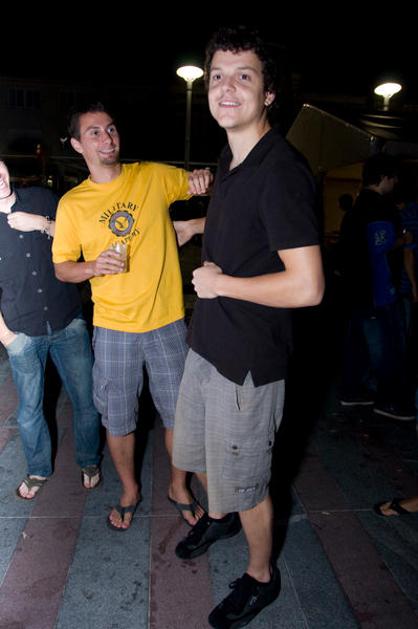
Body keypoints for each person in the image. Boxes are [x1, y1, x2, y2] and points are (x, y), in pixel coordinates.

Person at [172, 26, 324, 628]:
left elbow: (308, 286)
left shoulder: (282, 171)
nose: (225, 87)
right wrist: (198, 226)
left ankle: (262, 577)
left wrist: (223, 285)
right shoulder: (234, 158)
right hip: (209, 344)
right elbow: (246, 222)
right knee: (193, 451)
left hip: (248, 363)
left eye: (244, 76)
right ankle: (219, 516)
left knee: (248, 482)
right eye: (217, 76)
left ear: (269, 94)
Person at [52, 103, 212, 531]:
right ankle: (129, 490)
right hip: (113, 328)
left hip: (167, 322)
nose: (106, 138)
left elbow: (202, 184)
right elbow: (62, 268)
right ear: (77, 145)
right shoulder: (73, 204)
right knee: (119, 420)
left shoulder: (152, 176)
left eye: (110, 129)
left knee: (180, 416)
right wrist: (92, 266)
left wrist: (201, 180)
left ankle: (178, 486)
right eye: (94, 133)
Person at [0, 160, 101, 499]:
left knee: (87, 400)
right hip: (22, 332)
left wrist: (41, 224)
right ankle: (38, 469)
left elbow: (82, 239)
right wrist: (7, 338)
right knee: (29, 411)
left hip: (67, 320)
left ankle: (89, 459)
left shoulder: (43, 200)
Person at [339, 154, 414, 420]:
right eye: (393, 178)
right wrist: (403, 240)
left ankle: (351, 391)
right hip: (378, 290)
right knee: (389, 346)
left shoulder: (355, 209)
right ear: (384, 177)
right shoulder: (381, 208)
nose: (396, 183)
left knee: (358, 343)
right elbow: (379, 245)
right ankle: (389, 400)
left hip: (355, 289)